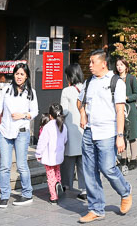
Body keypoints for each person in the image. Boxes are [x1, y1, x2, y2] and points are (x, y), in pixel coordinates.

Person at [77, 49, 133, 223]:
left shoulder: (116, 82)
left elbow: (119, 110)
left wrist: (120, 135)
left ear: (103, 63)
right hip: (89, 132)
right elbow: (80, 101)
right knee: (89, 171)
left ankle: (125, 191)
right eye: (89, 62)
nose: (90, 65)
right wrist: (82, 112)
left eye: (93, 62)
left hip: (108, 132)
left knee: (108, 168)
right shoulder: (88, 82)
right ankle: (96, 208)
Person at [0, 62, 38, 209]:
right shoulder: (6, 90)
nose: (19, 76)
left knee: (22, 165)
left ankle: (27, 193)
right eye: (17, 73)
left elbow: (35, 111)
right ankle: (4, 196)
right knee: (4, 166)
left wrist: (23, 115)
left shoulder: (31, 92)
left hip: (21, 132)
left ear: (26, 76)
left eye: (22, 74)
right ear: (14, 74)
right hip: (5, 131)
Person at [61, 63, 88, 201]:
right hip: (84, 129)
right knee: (83, 162)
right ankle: (84, 189)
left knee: (68, 160)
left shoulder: (67, 91)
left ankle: (66, 185)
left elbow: (64, 111)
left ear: (69, 76)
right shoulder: (86, 88)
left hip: (71, 130)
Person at [36, 104, 69, 204]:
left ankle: (53, 196)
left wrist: (38, 154)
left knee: (50, 176)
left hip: (49, 156)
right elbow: (65, 140)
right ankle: (58, 186)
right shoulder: (63, 126)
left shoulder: (47, 127)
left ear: (50, 116)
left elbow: (42, 142)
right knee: (57, 172)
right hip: (58, 156)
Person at [114, 58, 137, 171]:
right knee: (122, 134)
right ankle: (123, 158)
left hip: (130, 109)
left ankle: (134, 158)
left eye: (121, 65)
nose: (119, 67)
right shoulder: (114, 79)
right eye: (117, 65)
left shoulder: (131, 78)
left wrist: (127, 98)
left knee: (132, 135)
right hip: (118, 110)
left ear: (126, 66)